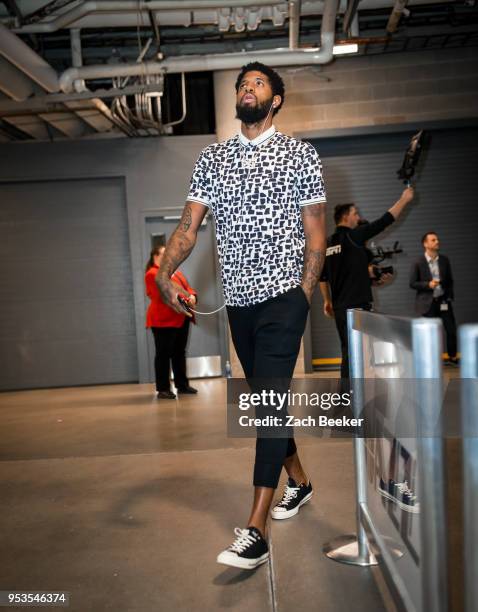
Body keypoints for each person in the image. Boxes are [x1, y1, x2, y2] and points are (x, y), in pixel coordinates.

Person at [156, 62, 327, 569]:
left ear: (275, 100)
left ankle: (256, 528)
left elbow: (316, 231)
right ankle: (300, 481)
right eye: (241, 84)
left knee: (267, 405)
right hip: (240, 303)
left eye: (257, 84)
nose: (245, 89)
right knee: (263, 398)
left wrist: (303, 291)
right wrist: (166, 275)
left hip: (282, 299)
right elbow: (188, 228)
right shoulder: (212, 158)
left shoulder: (300, 155)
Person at [319, 189, 414, 379]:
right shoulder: (354, 237)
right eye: (355, 213)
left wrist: (327, 301)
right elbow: (384, 221)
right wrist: (403, 200)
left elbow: (323, 278)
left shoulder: (327, 244)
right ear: (346, 217)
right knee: (361, 353)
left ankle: (347, 396)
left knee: (348, 351)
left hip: (339, 308)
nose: (358, 217)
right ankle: (355, 395)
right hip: (358, 308)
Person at [145, 246, 198, 399]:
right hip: (163, 320)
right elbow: (164, 294)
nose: (168, 255)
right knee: (163, 355)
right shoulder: (152, 274)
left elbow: (187, 288)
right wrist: (188, 297)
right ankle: (163, 388)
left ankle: (182, 385)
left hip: (181, 318)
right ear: (155, 256)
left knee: (179, 353)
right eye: (163, 253)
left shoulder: (176, 272)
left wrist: (193, 295)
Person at [409, 232, 458, 365]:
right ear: (425, 244)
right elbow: (412, 283)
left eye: (437, 239)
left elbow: (450, 281)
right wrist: (427, 284)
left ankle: (453, 358)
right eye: (433, 240)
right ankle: (429, 360)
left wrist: (449, 297)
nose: (437, 242)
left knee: (451, 330)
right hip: (427, 303)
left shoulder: (444, 260)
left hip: (443, 301)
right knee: (430, 333)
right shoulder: (418, 262)